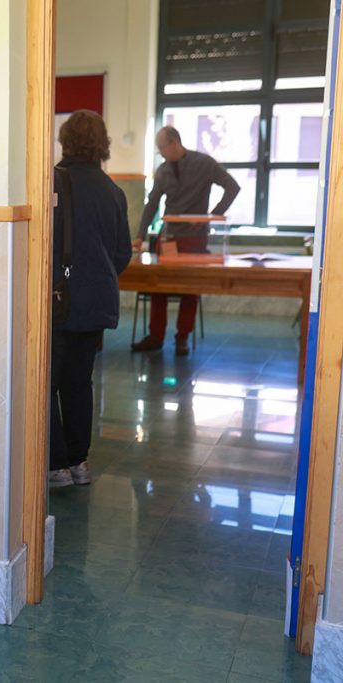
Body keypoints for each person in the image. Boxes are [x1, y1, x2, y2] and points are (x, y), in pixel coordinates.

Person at [49, 110, 132, 489]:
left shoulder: (52, 182)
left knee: (47, 383)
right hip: (98, 300)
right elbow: (122, 253)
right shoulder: (113, 190)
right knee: (79, 382)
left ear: (65, 139)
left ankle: (56, 465)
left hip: (59, 300)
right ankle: (79, 462)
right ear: (103, 143)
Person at [131, 125, 240, 356]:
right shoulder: (162, 170)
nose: (161, 153)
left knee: (190, 287)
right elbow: (152, 204)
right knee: (157, 285)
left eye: (162, 148)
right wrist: (140, 234)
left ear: (174, 143)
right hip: (169, 237)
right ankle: (155, 335)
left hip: (194, 238)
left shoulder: (204, 163)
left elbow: (232, 187)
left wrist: (212, 216)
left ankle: (183, 337)